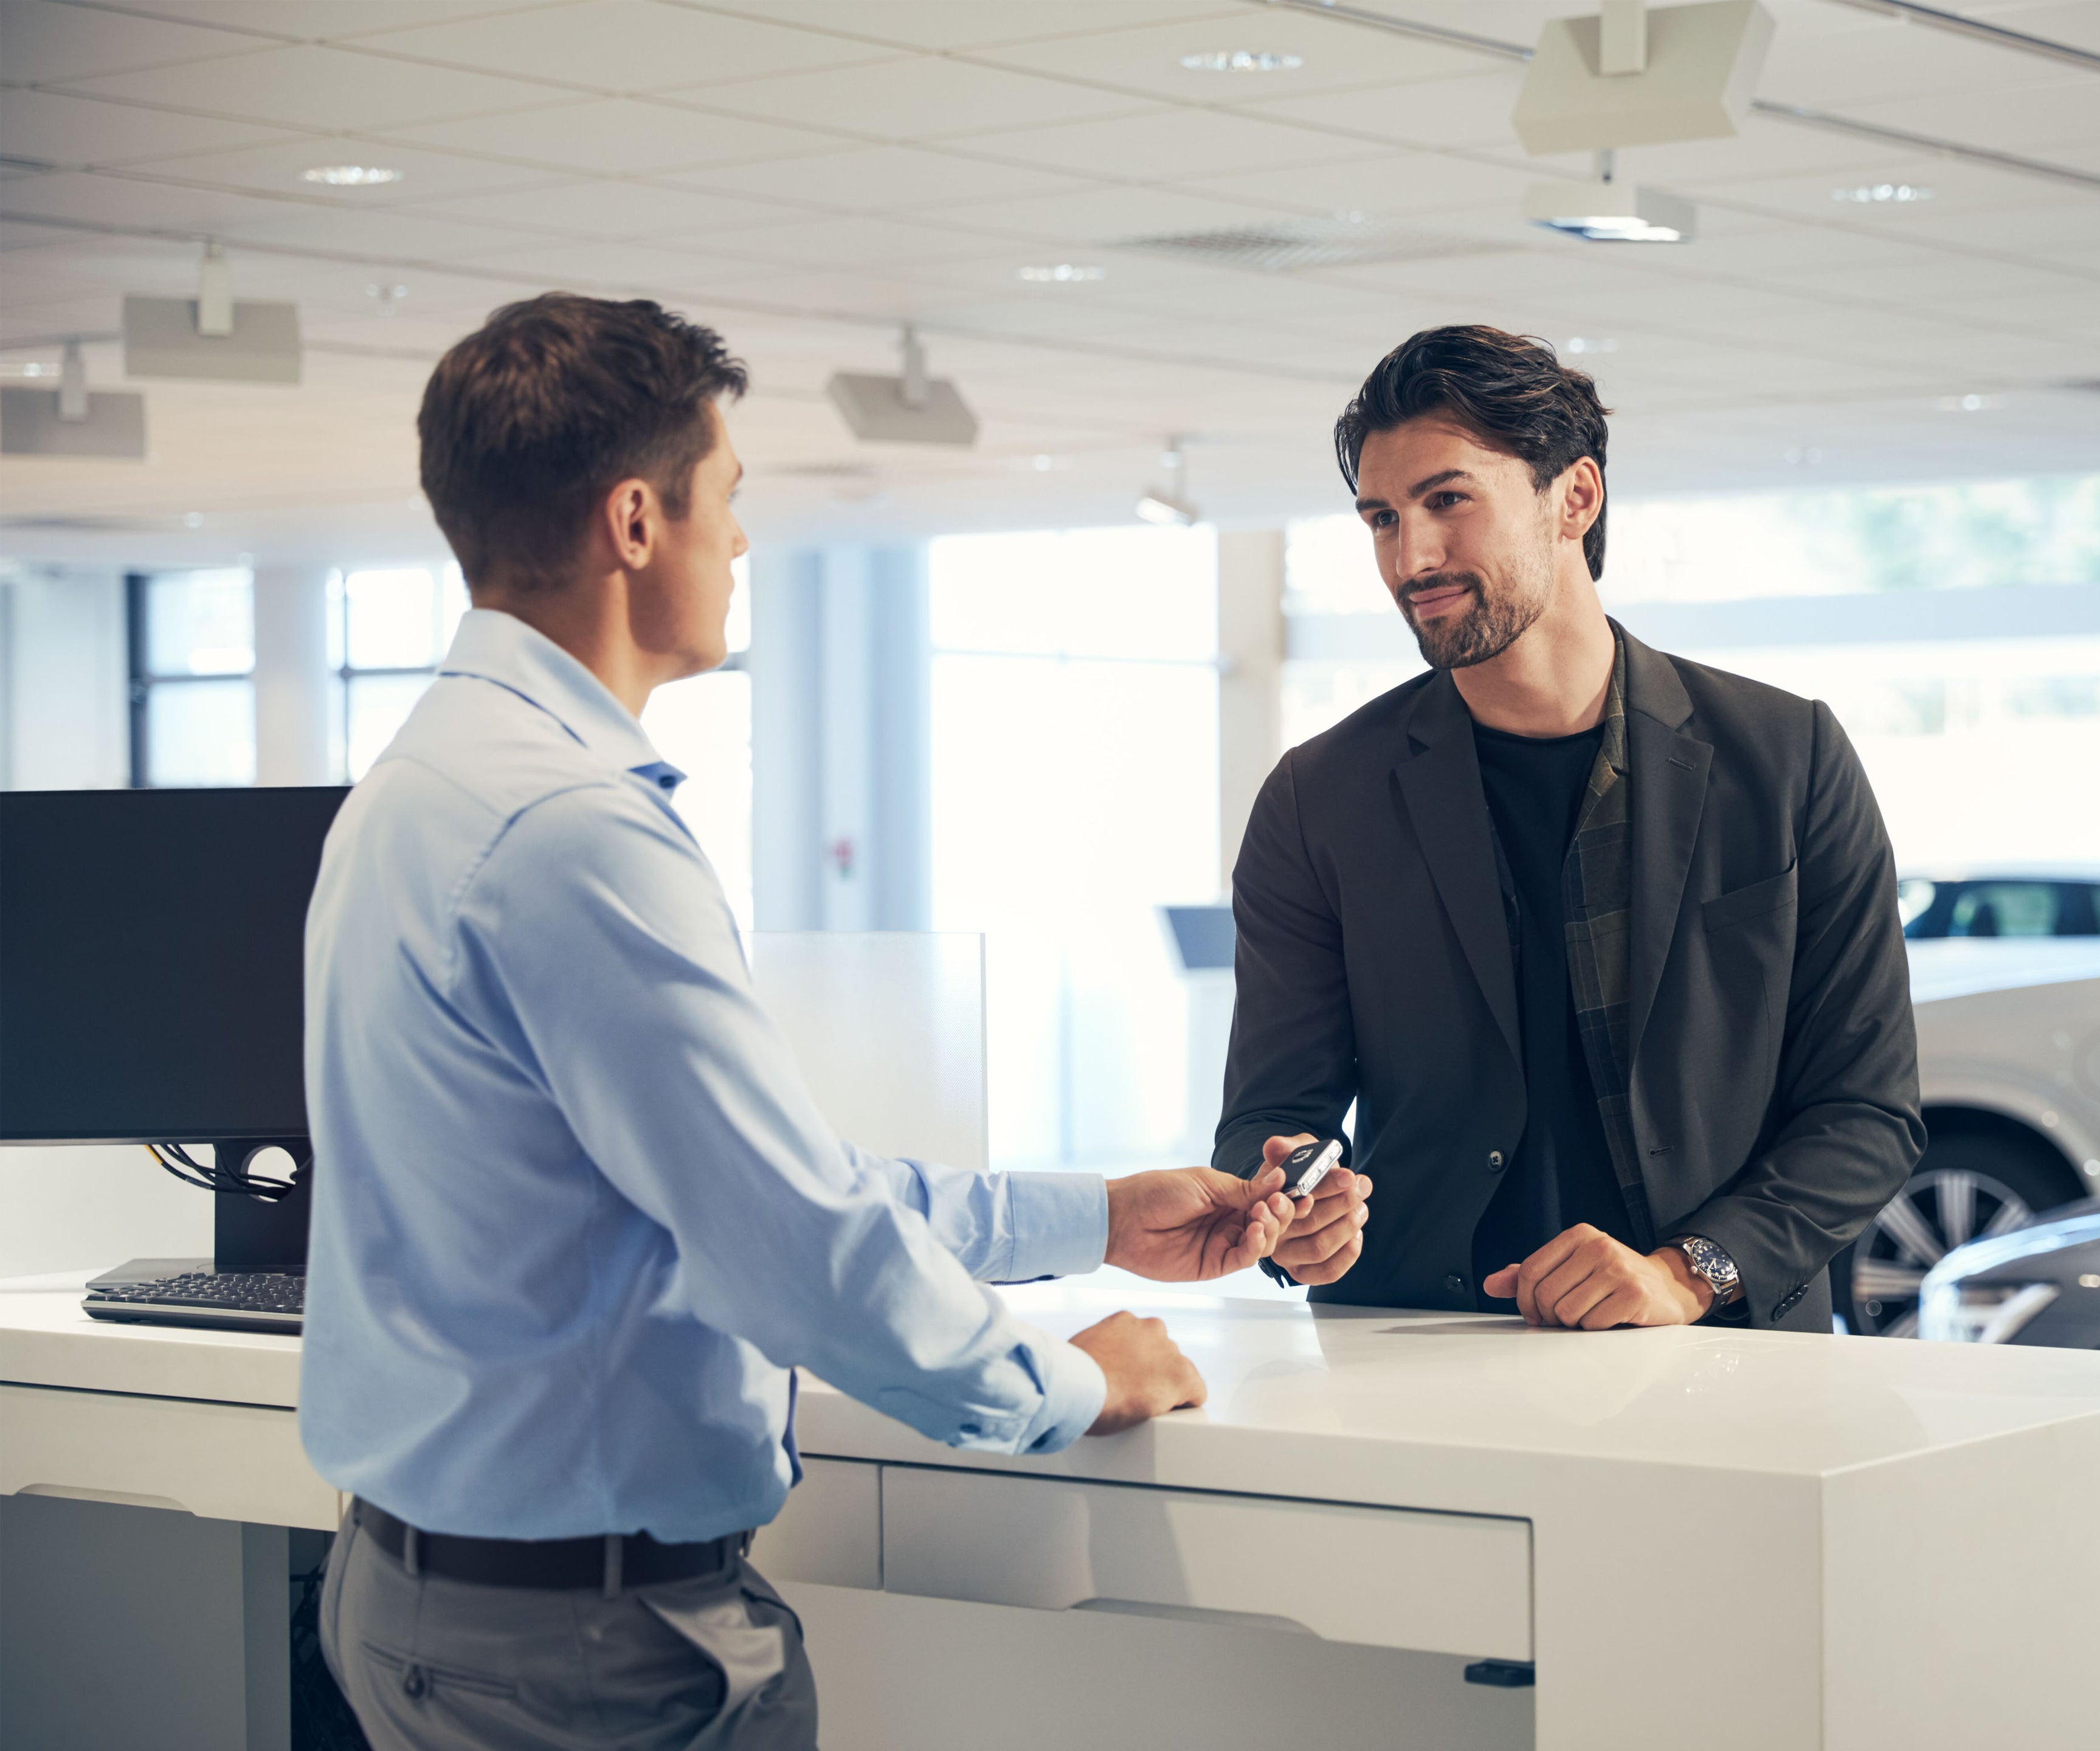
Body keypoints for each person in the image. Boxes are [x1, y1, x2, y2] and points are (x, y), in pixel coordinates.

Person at [299, 292, 1369, 1751]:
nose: (739, 544)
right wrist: (1067, 1381)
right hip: (587, 1650)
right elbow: (796, 1247)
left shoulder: (420, 785)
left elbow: (749, 1186)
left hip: (426, 1598)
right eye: (726, 500)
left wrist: (1096, 1215)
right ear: (634, 522)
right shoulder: (574, 832)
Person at [1216, 325, 1918, 1331]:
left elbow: (1868, 1112)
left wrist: (1687, 1271)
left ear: (1574, 497)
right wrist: (1287, 1201)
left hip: (1723, 1354)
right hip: (1420, 1350)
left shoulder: (1786, 756)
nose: (1412, 556)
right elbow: (1270, 1114)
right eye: (1381, 517)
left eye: (1447, 500)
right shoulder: (1319, 796)